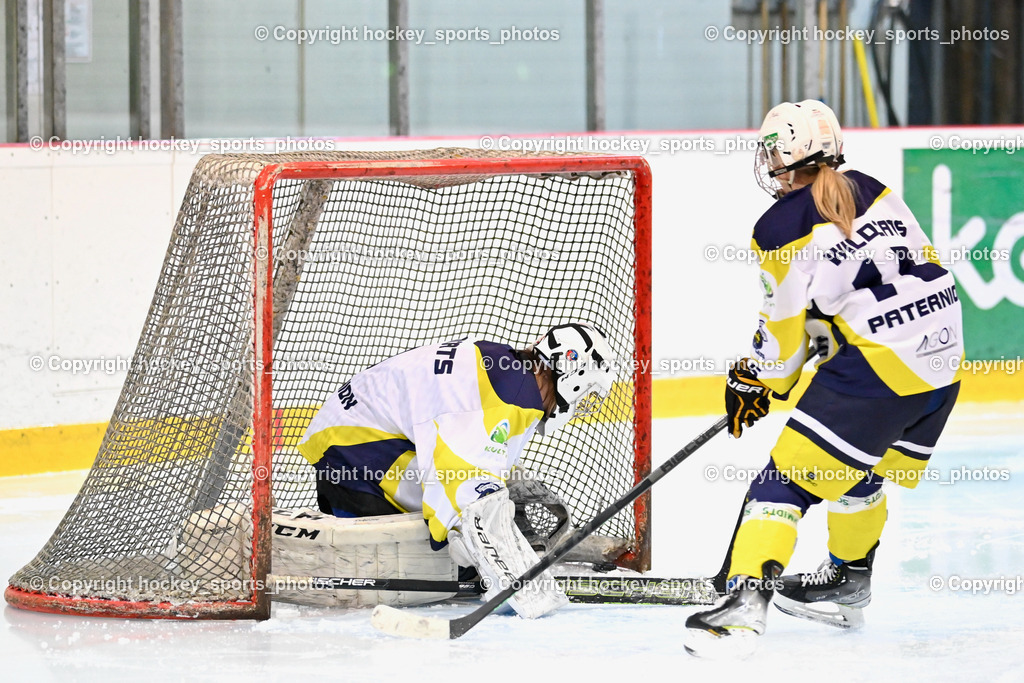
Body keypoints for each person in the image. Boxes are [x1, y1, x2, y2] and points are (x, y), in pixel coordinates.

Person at [685, 100, 963, 656]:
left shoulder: (779, 226)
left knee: (783, 482)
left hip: (877, 371)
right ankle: (848, 579)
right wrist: (822, 335)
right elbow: (889, 277)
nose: (766, 162)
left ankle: (742, 608)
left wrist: (756, 381)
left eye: (771, 152)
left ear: (786, 158)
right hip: (942, 358)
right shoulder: (872, 187)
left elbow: (783, 334)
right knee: (856, 468)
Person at [296, 323, 615, 618]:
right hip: (353, 455)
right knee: (464, 540)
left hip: (349, 441)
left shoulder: (509, 372)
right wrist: (514, 582)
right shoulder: (512, 395)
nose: (578, 406)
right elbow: (464, 490)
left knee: (495, 500)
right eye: (584, 394)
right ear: (573, 377)